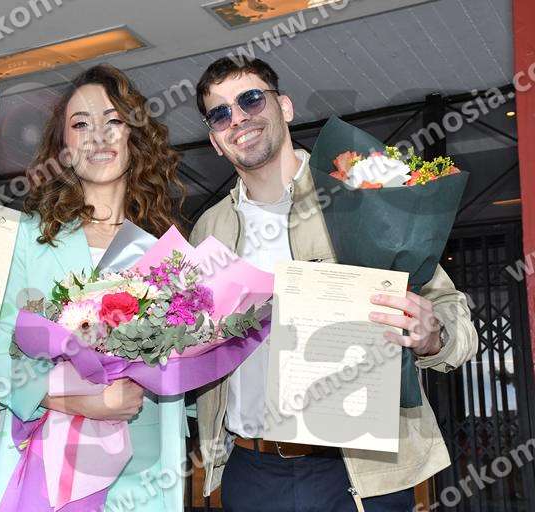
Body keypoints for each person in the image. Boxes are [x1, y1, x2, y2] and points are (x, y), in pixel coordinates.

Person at [190, 57, 478, 511]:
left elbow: (450, 309)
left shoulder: (357, 191)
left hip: (358, 470)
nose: (238, 119)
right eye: (221, 113)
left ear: (285, 107)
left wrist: (433, 335)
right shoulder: (209, 229)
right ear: (214, 140)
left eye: (251, 100)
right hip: (251, 470)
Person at [0, 64, 188, 512]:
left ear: (134, 135)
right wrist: (88, 402)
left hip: (143, 476)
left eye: (112, 120)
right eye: (81, 125)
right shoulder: (28, 239)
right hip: (46, 467)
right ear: (63, 147)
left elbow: (183, 371)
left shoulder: (166, 252)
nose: (98, 137)